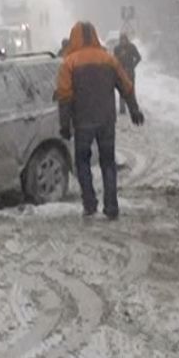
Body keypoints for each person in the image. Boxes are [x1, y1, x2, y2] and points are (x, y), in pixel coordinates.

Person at [57, 21, 144, 220]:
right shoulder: (108, 59)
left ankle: (89, 203)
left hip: (83, 121)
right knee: (108, 162)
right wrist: (134, 109)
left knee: (82, 162)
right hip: (106, 120)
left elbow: (64, 96)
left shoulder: (69, 62)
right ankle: (111, 206)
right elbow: (126, 86)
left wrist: (64, 124)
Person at [113, 32, 142, 115]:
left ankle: (133, 108)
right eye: (121, 39)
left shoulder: (131, 47)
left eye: (124, 39)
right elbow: (114, 60)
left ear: (127, 39)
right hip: (121, 72)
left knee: (131, 90)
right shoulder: (117, 48)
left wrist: (133, 65)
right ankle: (122, 109)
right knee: (122, 90)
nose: (123, 41)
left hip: (130, 71)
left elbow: (138, 57)